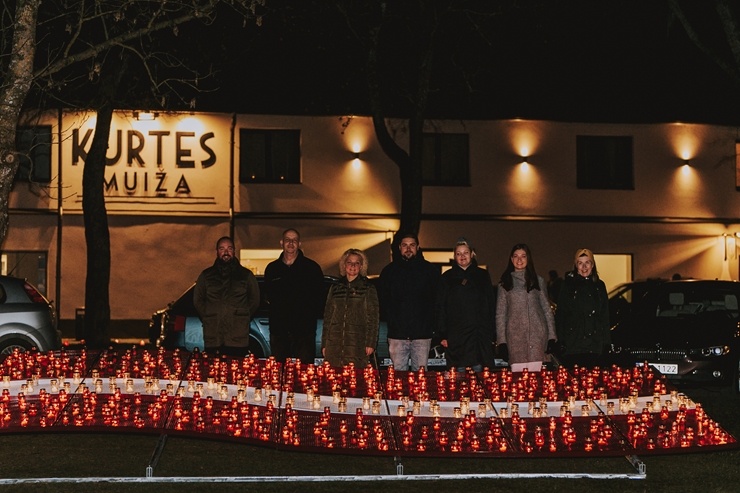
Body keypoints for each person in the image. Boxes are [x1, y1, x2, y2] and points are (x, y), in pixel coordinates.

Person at [379, 232, 440, 371]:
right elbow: (383, 302)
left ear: (418, 247)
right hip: (397, 336)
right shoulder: (389, 272)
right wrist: (393, 321)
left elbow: (437, 302)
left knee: (420, 379)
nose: (408, 248)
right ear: (399, 247)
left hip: (422, 336)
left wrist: (433, 328)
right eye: (405, 245)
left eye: (412, 245)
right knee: (399, 379)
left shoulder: (430, 271)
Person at [264, 228, 325, 364]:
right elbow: (268, 297)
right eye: (287, 240)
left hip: (304, 332)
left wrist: (307, 316)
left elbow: (320, 297)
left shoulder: (311, 268)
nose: (291, 243)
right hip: (279, 332)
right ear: (281, 242)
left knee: (303, 373)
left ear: (300, 243)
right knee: (279, 372)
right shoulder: (272, 269)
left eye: (294, 240)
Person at [435, 238, 496, 372]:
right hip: (456, 337)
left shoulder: (483, 276)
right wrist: (442, 334)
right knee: (458, 379)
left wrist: (492, 333)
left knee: (480, 377)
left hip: (479, 336)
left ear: (472, 254)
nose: (462, 256)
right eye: (458, 253)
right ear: (454, 256)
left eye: (465, 253)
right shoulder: (447, 278)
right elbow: (441, 307)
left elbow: (490, 305)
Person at [193, 236, 260, 357]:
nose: (226, 252)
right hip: (213, 336)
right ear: (217, 251)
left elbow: (255, 300)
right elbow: (197, 300)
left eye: (229, 248)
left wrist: (242, 316)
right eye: (222, 248)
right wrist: (209, 316)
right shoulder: (206, 275)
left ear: (234, 251)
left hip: (238, 337)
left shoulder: (246, 275)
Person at [495, 243, 557, 367]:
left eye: (523, 256)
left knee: (537, 381)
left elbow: (546, 310)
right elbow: (500, 314)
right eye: (516, 256)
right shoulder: (504, 284)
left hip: (538, 338)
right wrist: (502, 342)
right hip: (515, 339)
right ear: (511, 259)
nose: (519, 260)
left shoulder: (538, 281)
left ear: (528, 259)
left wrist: (552, 337)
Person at [322, 248, 379, 367]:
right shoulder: (335, 287)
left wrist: (371, 343)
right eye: (349, 262)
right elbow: (328, 317)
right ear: (344, 264)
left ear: (361, 266)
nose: (353, 265)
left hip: (357, 344)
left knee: (355, 381)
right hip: (334, 345)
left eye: (356, 263)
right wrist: (324, 344)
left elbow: (373, 318)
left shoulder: (368, 288)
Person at [555, 248, 610, 367]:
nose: (584, 267)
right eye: (580, 263)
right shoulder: (568, 285)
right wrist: (561, 340)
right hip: (573, 344)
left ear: (592, 265)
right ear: (575, 265)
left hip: (594, 345)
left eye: (587, 263)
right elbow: (561, 315)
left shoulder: (599, 286)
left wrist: (606, 342)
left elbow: (605, 315)